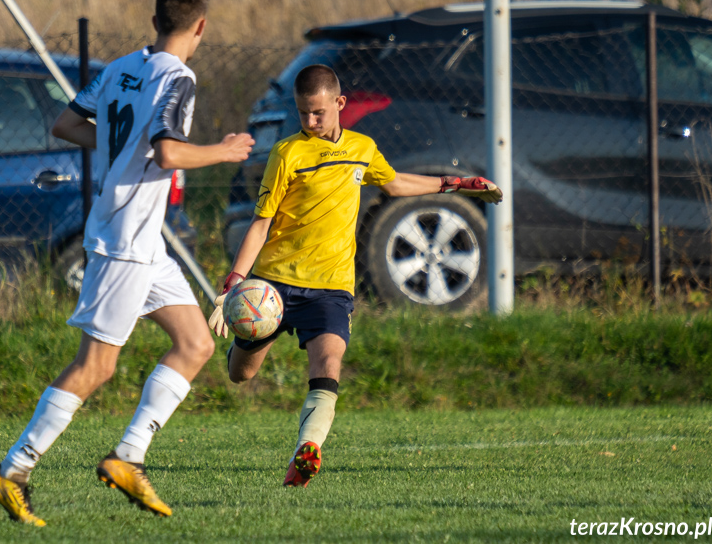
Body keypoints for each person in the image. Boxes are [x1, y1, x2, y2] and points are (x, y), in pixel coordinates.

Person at [0, 0, 255, 526]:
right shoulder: (179, 77)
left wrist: (117, 145)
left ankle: (128, 457)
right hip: (126, 238)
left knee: (196, 342)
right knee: (95, 366)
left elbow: (66, 123)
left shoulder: (121, 67)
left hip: (142, 240)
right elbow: (168, 151)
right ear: (200, 26)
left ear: (156, 19)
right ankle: (12, 470)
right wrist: (223, 153)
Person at [209, 64, 502, 488]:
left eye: (318, 113)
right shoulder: (288, 153)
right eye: (303, 113)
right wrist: (234, 284)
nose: (310, 122)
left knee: (328, 362)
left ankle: (305, 453)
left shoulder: (362, 148)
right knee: (242, 373)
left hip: (330, 286)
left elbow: (395, 183)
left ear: (340, 103)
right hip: (273, 286)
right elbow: (261, 222)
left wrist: (456, 183)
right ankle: (246, 347)